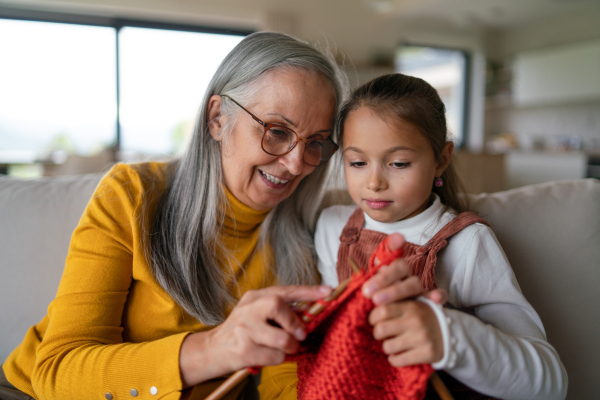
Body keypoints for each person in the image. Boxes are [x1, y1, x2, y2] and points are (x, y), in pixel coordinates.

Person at [0, 33, 442, 400]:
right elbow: (58, 370)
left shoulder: (312, 231)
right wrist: (215, 348)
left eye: (316, 143)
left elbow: (283, 379)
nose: (295, 164)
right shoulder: (132, 196)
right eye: (276, 131)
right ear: (217, 119)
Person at [259, 73, 568, 399]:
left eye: (399, 163)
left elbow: (550, 383)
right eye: (358, 162)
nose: (374, 182)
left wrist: (445, 334)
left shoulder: (467, 244)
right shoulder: (332, 226)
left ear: (441, 159)